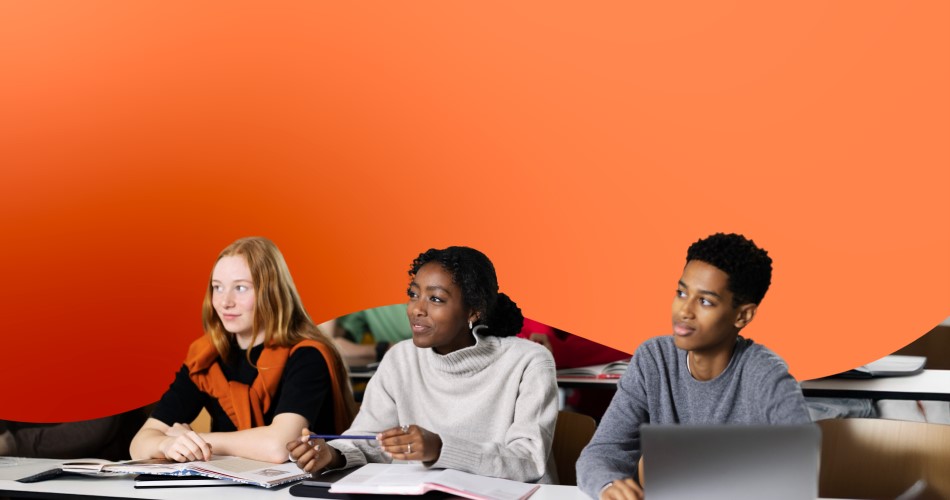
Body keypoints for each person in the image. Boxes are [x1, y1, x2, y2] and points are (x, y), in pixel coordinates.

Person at [287, 246, 559, 483]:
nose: (417, 308)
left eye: (436, 299)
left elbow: (528, 461)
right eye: (413, 294)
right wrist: (332, 455)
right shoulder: (400, 359)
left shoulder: (529, 362)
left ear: (473, 311)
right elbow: (369, 438)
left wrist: (440, 448)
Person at [576, 233, 811, 500]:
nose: (684, 310)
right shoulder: (654, 359)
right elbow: (602, 451)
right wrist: (609, 485)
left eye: (705, 301)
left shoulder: (765, 374)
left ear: (742, 315)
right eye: (681, 293)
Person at [130, 237, 356, 463]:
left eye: (240, 288)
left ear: (271, 292)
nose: (225, 301)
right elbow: (139, 444)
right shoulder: (205, 358)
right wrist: (166, 443)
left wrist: (193, 439)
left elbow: (280, 446)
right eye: (217, 287)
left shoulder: (307, 354)